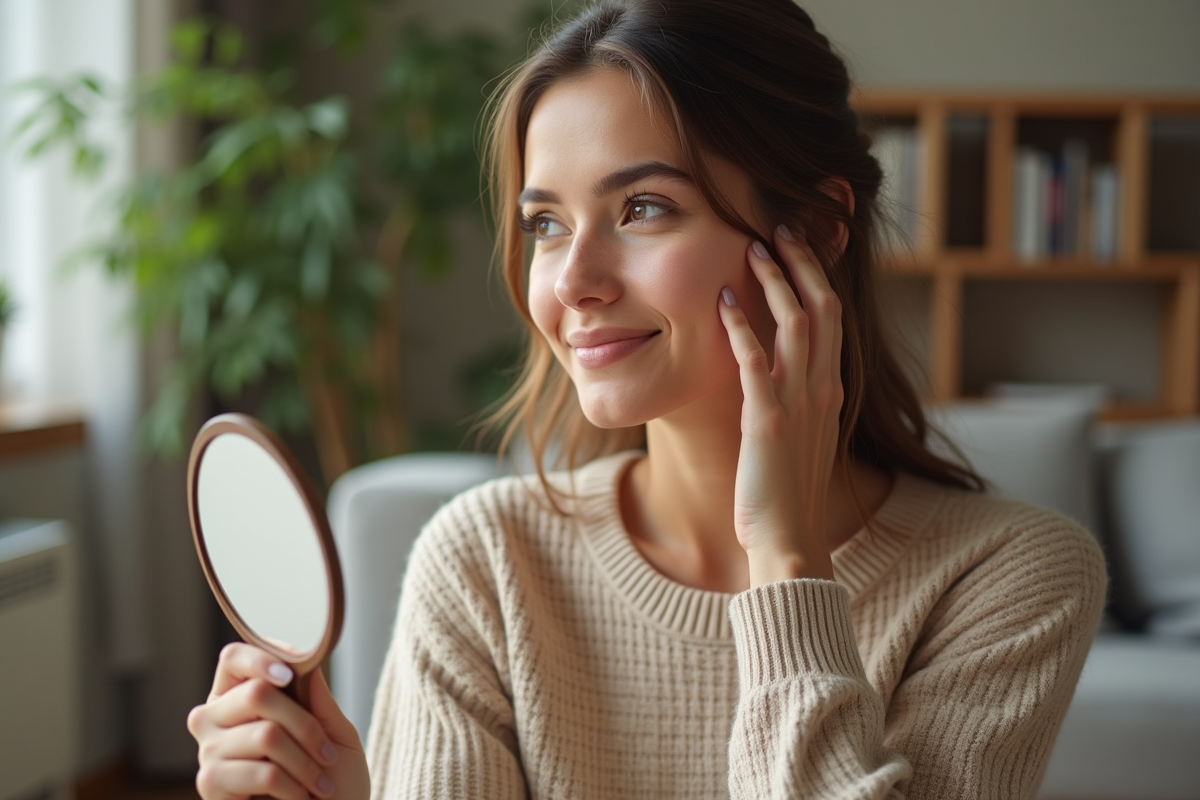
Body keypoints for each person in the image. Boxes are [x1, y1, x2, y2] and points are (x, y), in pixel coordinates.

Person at [186, 1, 1107, 797]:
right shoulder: (486, 562)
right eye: (547, 224)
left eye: (643, 209)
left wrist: (787, 563)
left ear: (819, 230)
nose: (572, 281)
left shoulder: (1010, 578)